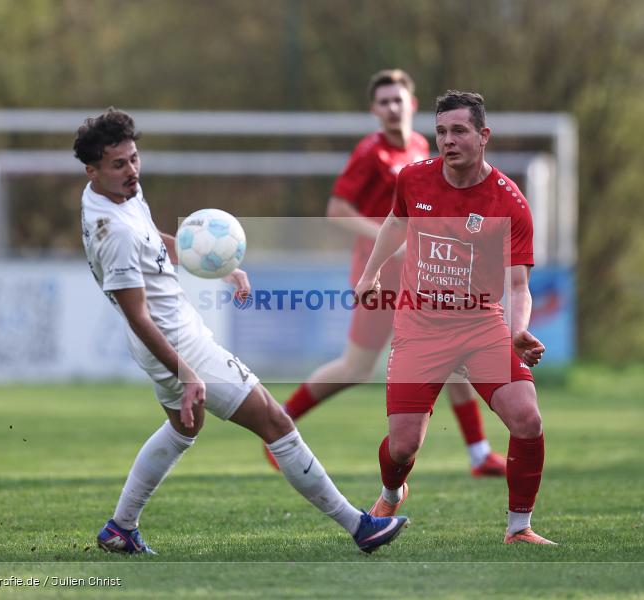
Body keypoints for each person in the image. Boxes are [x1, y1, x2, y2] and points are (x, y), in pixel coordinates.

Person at [74, 108, 408, 555]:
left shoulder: (118, 194)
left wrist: (217, 266)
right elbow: (137, 314)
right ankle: (359, 525)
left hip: (167, 342)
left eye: (134, 158)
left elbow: (152, 241)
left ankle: (121, 527)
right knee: (275, 420)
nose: (132, 171)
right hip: (177, 343)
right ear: (92, 169)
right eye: (119, 165)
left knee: (182, 430)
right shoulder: (109, 230)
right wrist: (187, 371)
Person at [275, 70, 507, 478]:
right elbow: (337, 211)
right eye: (383, 102)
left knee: (452, 359)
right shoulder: (370, 153)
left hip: (422, 276)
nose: (392, 107)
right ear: (374, 111)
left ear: (412, 104)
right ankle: (276, 423)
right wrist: (392, 240)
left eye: (398, 99)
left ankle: (479, 453)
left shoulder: (421, 146)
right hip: (380, 276)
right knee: (355, 367)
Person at [354, 91, 556, 545]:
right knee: (404, 446)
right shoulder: (413, 179)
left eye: (459, 131)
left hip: (481, 325)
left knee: (527, 419)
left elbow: (518, 286)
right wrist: (370, 275)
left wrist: (518, 329)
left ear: (483, 136)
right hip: (418, 327)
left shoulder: (510, 202)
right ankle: (392, 491)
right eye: (441, 131)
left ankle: (518, 528)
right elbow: (394, 222)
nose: (448, 140)